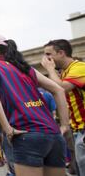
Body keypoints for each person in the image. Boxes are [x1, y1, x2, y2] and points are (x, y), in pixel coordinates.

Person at [0, 34, 69, 176]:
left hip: (27, 134)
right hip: (53, 134)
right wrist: (64, 125)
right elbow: (58, 90)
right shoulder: (26, 68)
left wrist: (7, 128)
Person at [42, 39, 85, 175]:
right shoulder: (66, 72)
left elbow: (60, 88)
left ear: (61, 53)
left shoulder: (79, 67)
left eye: (49, 54)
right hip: (77, 128)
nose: (45, 58)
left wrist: (49, 69)